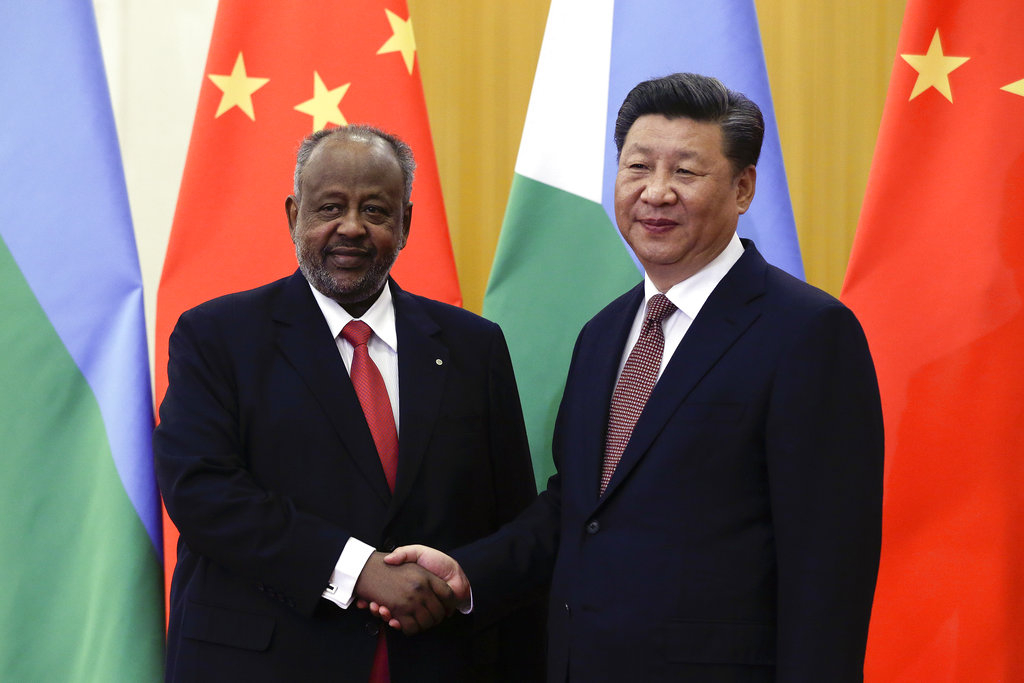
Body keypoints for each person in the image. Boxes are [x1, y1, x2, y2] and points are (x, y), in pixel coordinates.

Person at [378, 73, 885, 682]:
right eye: (638, 167)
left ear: (743, 187)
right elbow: (580, 508)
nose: (656, 192)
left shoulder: (807, 332)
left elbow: (828, 564)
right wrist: (469, 572)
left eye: (687, 173)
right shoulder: (603, 332)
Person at [153, 124, 542, 682]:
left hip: (436, 659)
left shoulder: (472, 347)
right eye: (330, 207)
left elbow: (512, 520)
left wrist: (463, 581)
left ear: (405, 224)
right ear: (294, 216)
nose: (352, 228)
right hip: (263, 662)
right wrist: (359, 570)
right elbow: (200, 489)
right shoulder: (217, 336)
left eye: (377, 211)